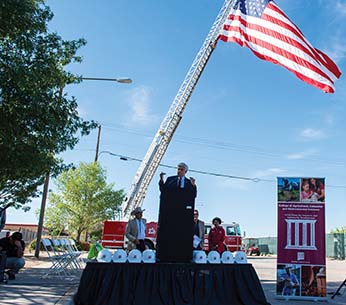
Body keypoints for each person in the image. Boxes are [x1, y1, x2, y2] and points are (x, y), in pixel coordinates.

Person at [157, 162, 197, 262]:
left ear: (186, 171)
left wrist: (193, 186)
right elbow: (163, 190)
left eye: (181, 169)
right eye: (178, 169)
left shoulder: (189, 183)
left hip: (183, 215)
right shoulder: (170, 179)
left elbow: (193, 195)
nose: (179, 171)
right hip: (170, 213)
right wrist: (161, 180)